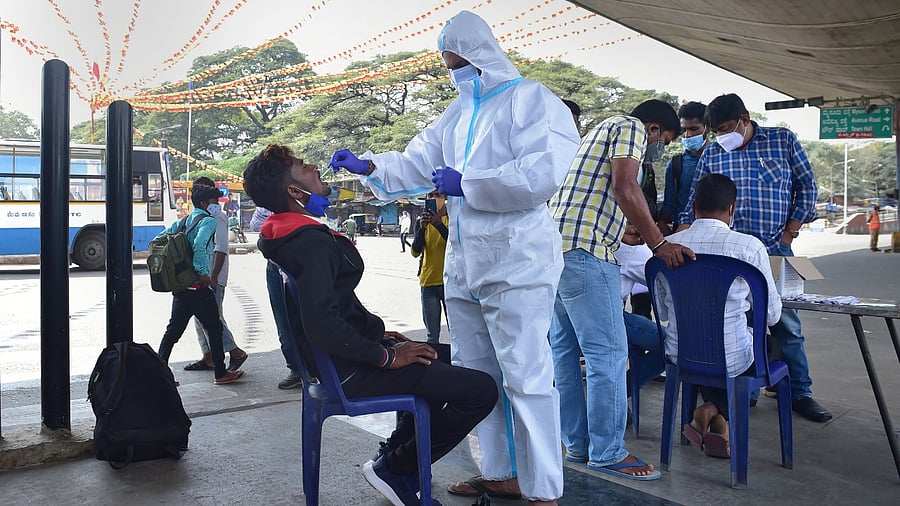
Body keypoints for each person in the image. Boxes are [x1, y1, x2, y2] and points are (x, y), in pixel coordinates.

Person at [329, 10, 581, 504]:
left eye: (456, 57)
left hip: (518, 260)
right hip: (466, 263)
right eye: (447, 60)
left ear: (479, 52)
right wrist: (369, 166)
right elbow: (419, 161)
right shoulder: (456, 114)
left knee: (527, 375)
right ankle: (502, 472)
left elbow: (543, 172)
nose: (452, 67)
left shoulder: (531, 99)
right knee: (477, 375)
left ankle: (544, 488)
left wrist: (470, 184)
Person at [244, 144, 497, 506]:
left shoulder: (286, 234)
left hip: (339, 362)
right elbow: (323, 324)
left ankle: (394, 456)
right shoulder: (309, 243)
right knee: (481, 389)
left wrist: (379, 336)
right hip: (350, 370)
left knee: (446, 355)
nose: (314, 166)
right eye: (302, 166)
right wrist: (386, 357)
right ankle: (398, 467)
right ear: (295, 193)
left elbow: (333, 307)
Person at [548, 99, 693, 481]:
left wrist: (624, 230)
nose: (659, 149)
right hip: (587, 254)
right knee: (607, 355)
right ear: (654, 129)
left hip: (554, 252)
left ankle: (577, 444)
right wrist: (659, 243)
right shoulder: (630, 128)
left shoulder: (594, 136)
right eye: (664, 139)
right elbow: (625, 186)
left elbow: (596, 199)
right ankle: (608, 452)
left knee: (564, 354)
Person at [679, 93, 831, 423]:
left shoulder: (782, 140)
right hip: (731, 250)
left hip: (775, 247)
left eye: (724, 128)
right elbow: (695, 198)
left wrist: (790, 231)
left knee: (785, 323)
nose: (720, 136)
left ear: (744, 120)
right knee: (738, 321)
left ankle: (800, 391)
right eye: (714, 131)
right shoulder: (714, 152)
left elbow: (807, 186)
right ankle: (744, 391)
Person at [658, 174, 783, 458]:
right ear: (732, 209)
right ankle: (711, 412)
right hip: (730, 358)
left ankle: (712, 415)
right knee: (769, 348)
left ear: (693, 208)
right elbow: (772, 316)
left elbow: (664, 312)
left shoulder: (668, 246)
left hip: (679, 354)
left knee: (708, 351)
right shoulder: (748, 247)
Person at [156, 184, 245, 385]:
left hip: (181, 287)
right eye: (215, 202)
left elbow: (159, 240)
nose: (217, 205)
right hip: (198, 286)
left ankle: (159, 373)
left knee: (173, 331)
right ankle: (221, 373)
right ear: (205, 203)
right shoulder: (208, 222)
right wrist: (203, 272)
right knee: (214, 327)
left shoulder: (183, 221)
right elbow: (199, 245)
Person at [184, 177, 249, 373]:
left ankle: (235, 351)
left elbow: (221, 250)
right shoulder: (200, 217)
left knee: (211, 317)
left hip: (213, 276)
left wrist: (213, 277)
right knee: (200, 316)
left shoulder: (217, 218)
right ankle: (208, 355)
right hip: (201, 275)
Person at [250, 205, 303, 390]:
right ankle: (296, 369)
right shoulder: (269, 202)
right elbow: (255, 225)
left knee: (307, 317)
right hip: (275, 267)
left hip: (301, 264)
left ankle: (314, 368)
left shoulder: (303, 197)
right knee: (283, 320)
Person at [658, 101, 709, 236]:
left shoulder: (722, 160)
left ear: (707, 128)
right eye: (684, 130)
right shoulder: (676, 163)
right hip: (681, 230)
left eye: (694, 129)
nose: (688, 135)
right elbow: (669, 203)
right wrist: (662, 224)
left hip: (714, 230)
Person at [410, 191, 448, 345]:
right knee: (432, 336)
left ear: (445, 198)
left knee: (457, 331)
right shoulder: (421, 222)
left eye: (437, 195)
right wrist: (422, 229)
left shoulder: (453, 219)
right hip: (428, 282)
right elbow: (414, 252)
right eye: (430, 196)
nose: (433, 199)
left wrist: (439, 225)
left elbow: (456, 243)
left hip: (449, 282)